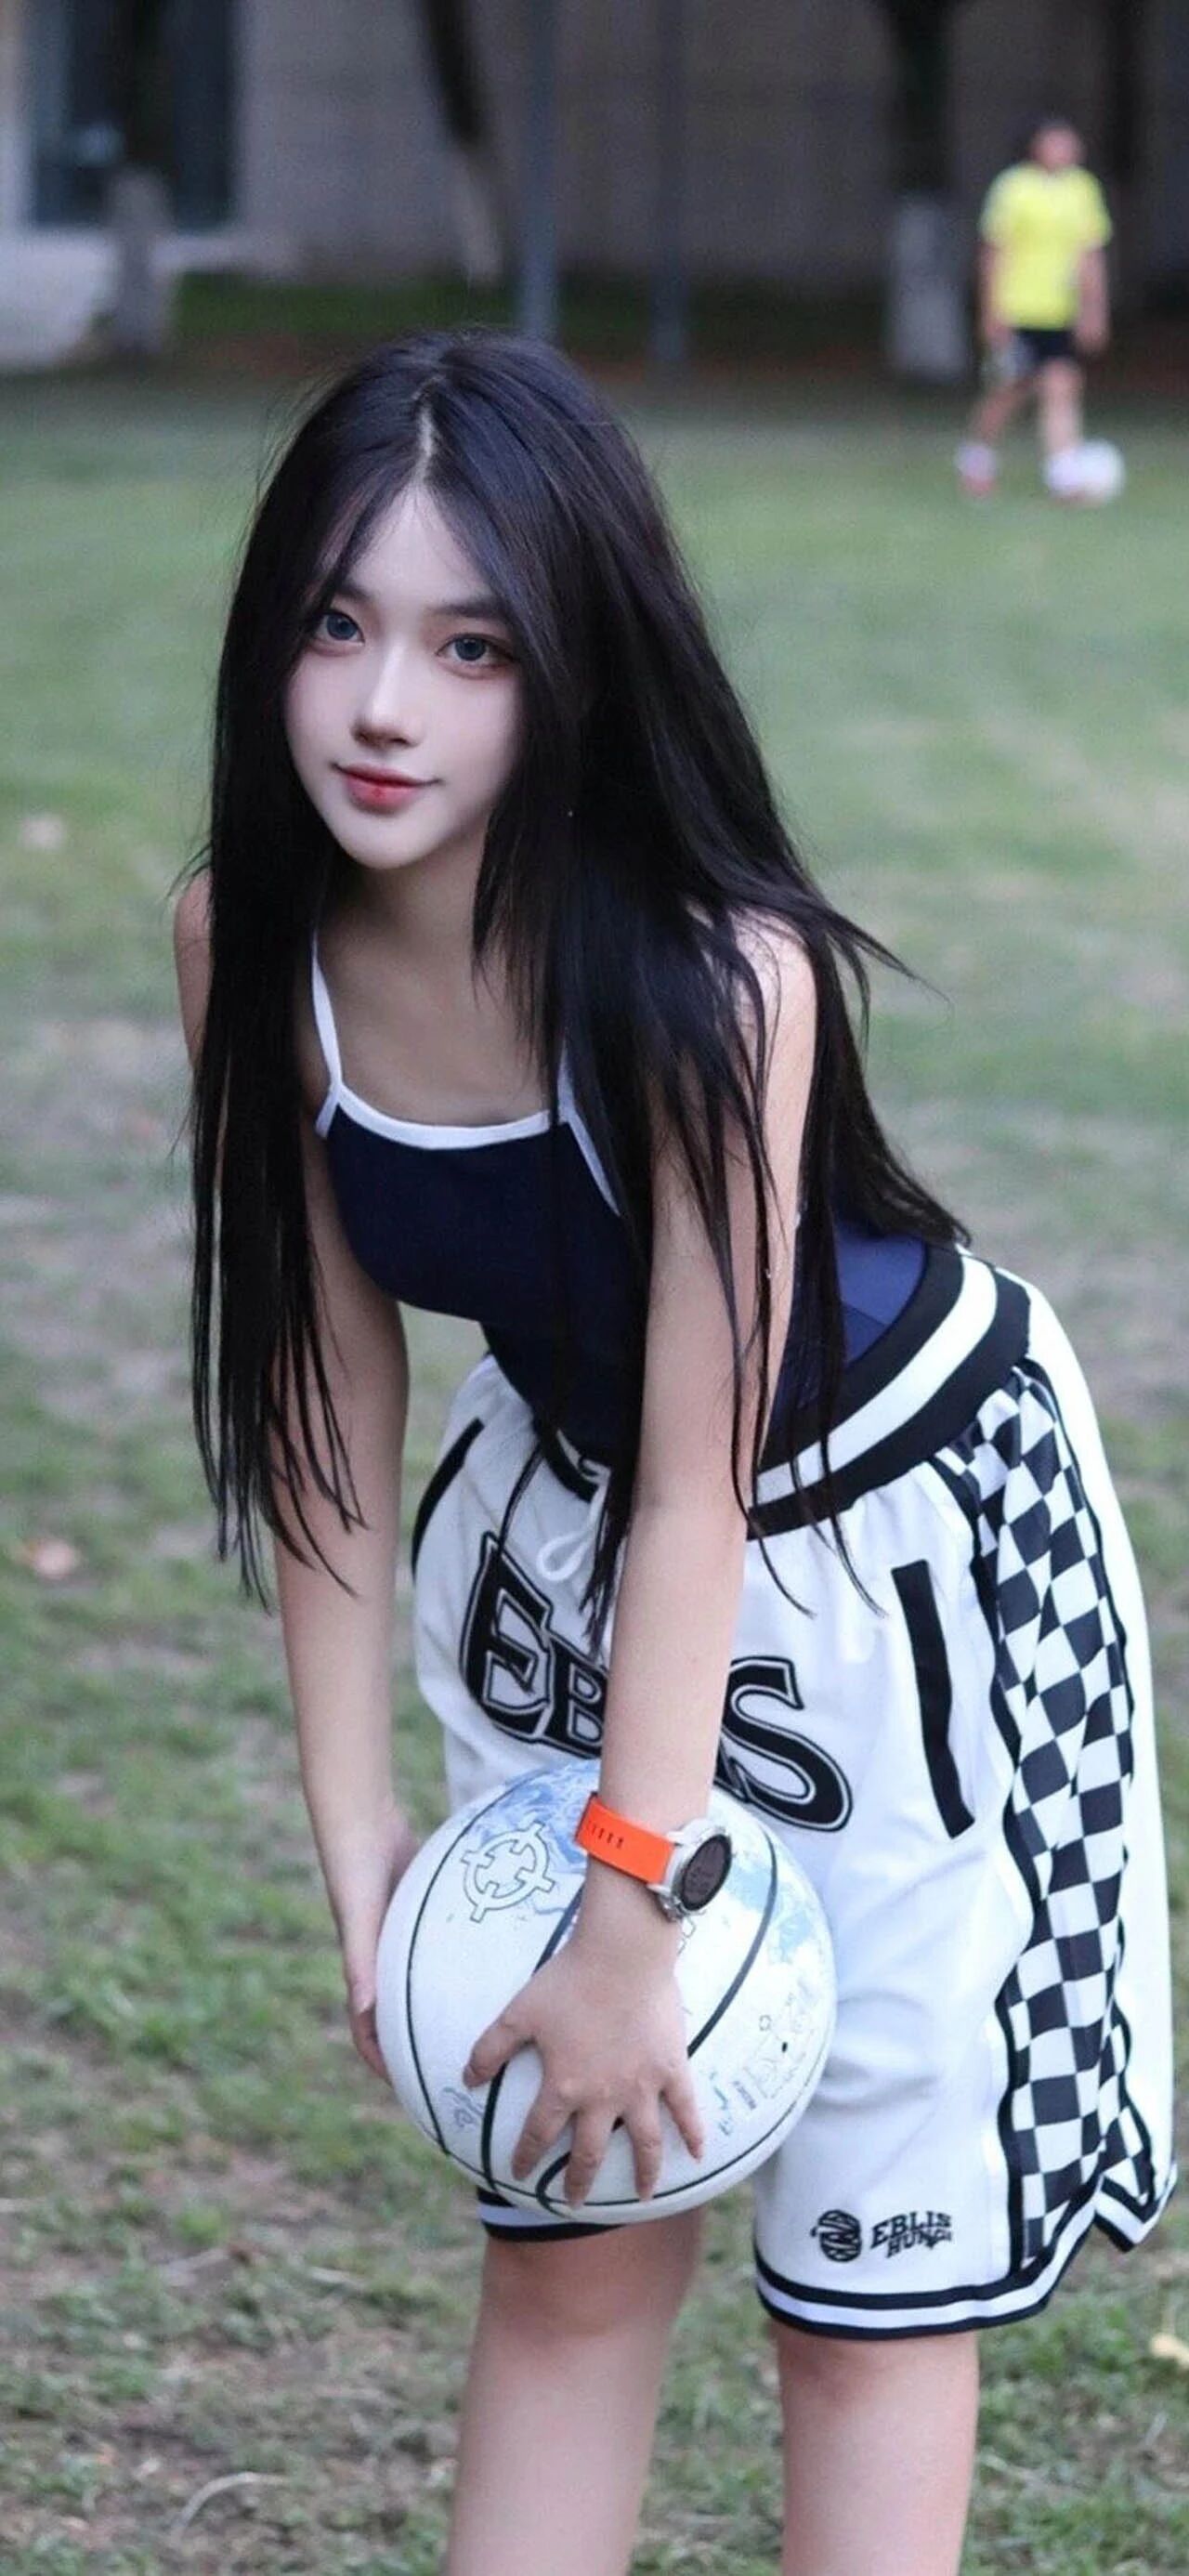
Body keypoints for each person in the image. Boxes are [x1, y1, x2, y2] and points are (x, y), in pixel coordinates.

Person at [174, 331, 1174, 2576]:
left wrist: (632, 1902)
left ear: (578, 667)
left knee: (861, 2303)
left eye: (470, 647)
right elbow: (323, 1407)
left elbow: (709, 1477)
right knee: (568, 2240)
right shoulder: (249, 944)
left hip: (897, 1548)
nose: (382, 708)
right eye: (335, 623)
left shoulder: (722, 982)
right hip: (565, 1526)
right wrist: (356, 1849)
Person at [957, 115, 1112, 500]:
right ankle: (977, 459)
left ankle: (1064, 477)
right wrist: (990, 310)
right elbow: (994, 252)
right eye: (1054, 142)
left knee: (1061, 386)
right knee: (1008, 389)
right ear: (1036, 147)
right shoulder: (1014, 188)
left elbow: (1090, 254)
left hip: (1059, 311)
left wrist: (1094, 309)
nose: (1063, 149)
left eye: (1068, 142)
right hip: (1018, 310)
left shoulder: (1082, 189)